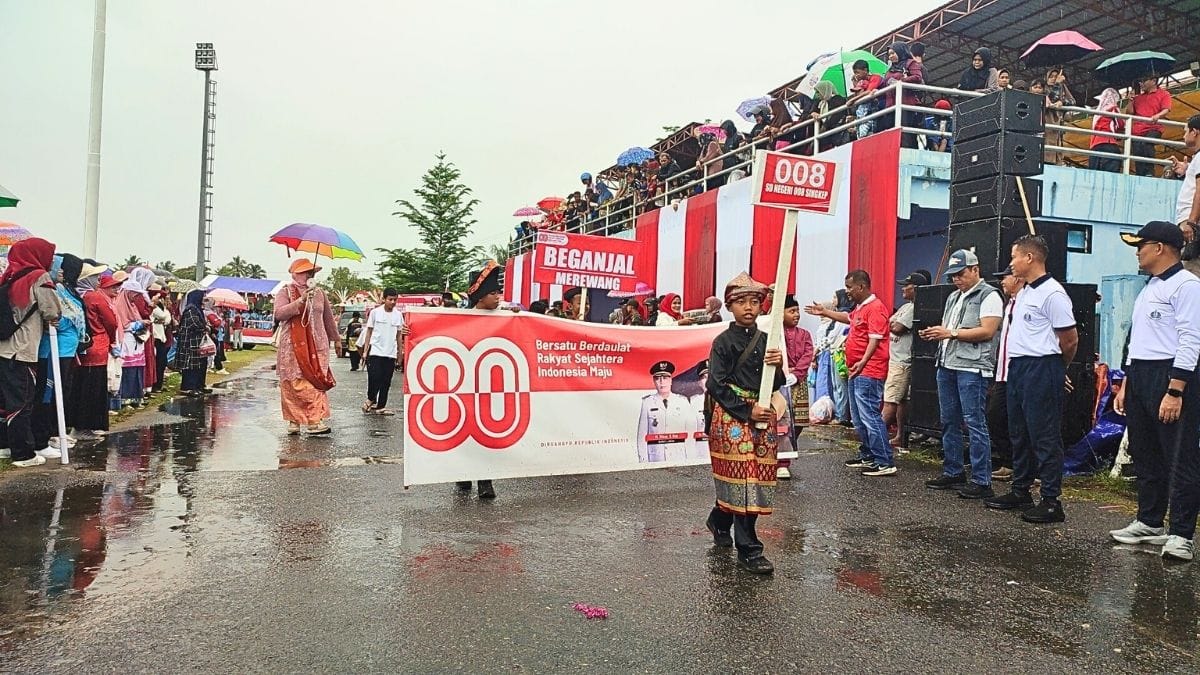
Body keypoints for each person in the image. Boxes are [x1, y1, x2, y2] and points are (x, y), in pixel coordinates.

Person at [1110, 222, 1200, 561]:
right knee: (1146, 453)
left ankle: (1181, 534)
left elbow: (1191, 340)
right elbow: (1136, 341)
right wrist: (1126, 384)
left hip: (1170, 374)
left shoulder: (1187, 286)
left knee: (1180, 456)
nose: (1137, 252)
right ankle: (1149, 521)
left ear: (1160, 248)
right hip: (1141, 374)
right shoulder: (1150, 286)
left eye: (1141, 245)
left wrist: (1175, 390)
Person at [984, 235, 1078, 523]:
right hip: (1018, 367)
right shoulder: (1023, 293)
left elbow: (1070, 340)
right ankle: (1020, 489)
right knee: (1019, 431)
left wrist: (1057, 369)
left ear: (1029, 257)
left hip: (1042, 365)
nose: (1011, 263)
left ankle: (1051, 500)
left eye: (1014, 256)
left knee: (1044, 434)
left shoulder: (1053, 293)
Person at [703, 272, 785, 574]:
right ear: (729, 307)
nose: (749, 308)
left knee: (756, 480)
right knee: (743, 480)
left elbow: (776, 383)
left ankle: (718, 520)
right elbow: (715, 384)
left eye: (754, 302)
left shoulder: (767, 340)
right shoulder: (722, 342)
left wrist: (777, 366)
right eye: (741, 302)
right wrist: (746, 412)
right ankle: (749, 550)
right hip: (732, 416)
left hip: (762, 413)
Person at [919, 251, 1003, 499]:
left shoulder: (990, 295)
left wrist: (950, 333)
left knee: (975, 421)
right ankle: (953, 471)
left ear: (975, 269)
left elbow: (988, 331)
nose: (956, 279)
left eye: (961, 274)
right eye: (953, 276)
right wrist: (937, 334)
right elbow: (950, 330)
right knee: (948, 420)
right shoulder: (954, 297)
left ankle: (981, 480)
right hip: (947, 363)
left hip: (972, 367)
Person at [806, 270, 896, 476]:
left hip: (869, 370)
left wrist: (863, 361)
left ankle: (884, 460)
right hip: (856, 369)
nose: (847, 291)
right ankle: (869, 454)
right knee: (858, 417)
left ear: (861, 287)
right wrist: (825, 312)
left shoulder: (876, 308)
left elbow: (875, 339)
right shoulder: (861, 307)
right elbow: (848, 318)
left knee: (869, 415)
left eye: (849, 287)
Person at [0, 238, 63, 467]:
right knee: (22, 402)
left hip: (4, 348)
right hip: (22, 350)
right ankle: (23, 454)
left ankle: (5, 445)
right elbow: (52, 310)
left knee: (5, 402)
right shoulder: (39, 277)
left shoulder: (10, 275)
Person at [450, 262, 506, 499]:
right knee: (464, 431)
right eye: (493, 293)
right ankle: (463, 474)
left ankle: (485, 480)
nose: (498, 297)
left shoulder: (504, 318)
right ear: (481, 296)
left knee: (487, 434)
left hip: (491, 386)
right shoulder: (459, 319)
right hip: (464, 385)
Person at [273, 259, 339, 436]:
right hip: (293, 346)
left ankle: (314, 421)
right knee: (294, 383)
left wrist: (336, 340)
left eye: (312, 272)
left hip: (318, 345)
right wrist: (300, 301)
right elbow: (279, 314)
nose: (310, 275)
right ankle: (294, 420)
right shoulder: (285, 291)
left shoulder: (320, 293)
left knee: (314, 381)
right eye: (306, 272)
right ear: (295, 274)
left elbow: (328, 319)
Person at [32, 254, 86, 454]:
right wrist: (63, 321)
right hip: (52, 350)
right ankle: (45, 436)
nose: (61, 271)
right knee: (48, 393)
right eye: (58, 266)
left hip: (66, 350)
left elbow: (75, 314)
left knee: (61, 392)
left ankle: (55, 431)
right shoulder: (51, 289)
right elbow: (54, 319)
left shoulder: (64, 290)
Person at [71, 267, 118, 439]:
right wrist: (111, 339)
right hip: (98, 345)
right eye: (95, 276)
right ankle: (86, 426)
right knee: (94, 387)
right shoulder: (95, 296)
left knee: (82, 386)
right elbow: (111, 322)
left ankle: (80, 425)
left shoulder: (76, 295)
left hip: (83, 345)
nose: (98, 279)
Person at [988, 265, 1024, 482]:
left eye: (1005, 277)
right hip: (1003, 372)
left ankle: (1030, 470)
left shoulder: (1029, 301)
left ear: (1017, 278)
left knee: (1022, 423)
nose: (1002, 281)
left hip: (1021, 373)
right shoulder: (1009, 303)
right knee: (995, 416)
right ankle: (1009, 462)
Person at [884, 271, 927, 450]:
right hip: (897, 359)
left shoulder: (913, 308)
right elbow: (891, 324)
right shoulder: (905, 306)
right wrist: (891, 324)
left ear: (915, 288)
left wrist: (891, 324)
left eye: (906, 285)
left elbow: (897, 327)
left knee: (891, 401)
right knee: (901, 401)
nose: (903, 288)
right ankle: (900, 436)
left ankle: (874, 439)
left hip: (901, 362)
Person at [778, 294, 813, 480]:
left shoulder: (805, 334)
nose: (796, 314)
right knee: (782, 422)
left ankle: (788, 449)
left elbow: (808, 354)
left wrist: (797, 373)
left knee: (798, 423)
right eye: (792, 311)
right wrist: (783, 372)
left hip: (799, 383)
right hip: (780, 383)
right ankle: (782, 462)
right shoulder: (775, 334)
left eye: (797, 311)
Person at [636, 360, 698, 463]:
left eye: (665, 378)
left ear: (671, 380)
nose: (662, 382)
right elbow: (641, 436)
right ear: (654, 381)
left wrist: (691, 459)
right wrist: (644, 462)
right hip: (656, 459)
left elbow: (691, 433)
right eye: (658, 378)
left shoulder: (682, 401)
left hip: (679, 457)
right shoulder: (647, 403)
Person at [361, 288, 404, 415]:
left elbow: (399, 335)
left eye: (395, 300)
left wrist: (400, 353)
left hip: (390, 352)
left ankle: (381, 406)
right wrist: (365, 351)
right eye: (390, 299)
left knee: (386, 381)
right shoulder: (375, 313)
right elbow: (369, 332)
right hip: (376, 351)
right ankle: (371, 399)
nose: (393, 302)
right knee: (374, 377)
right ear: (384, 299)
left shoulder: (398, 315)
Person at [880, 42, 925, 148]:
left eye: (893, 53)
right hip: (891, 107)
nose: (891, 56)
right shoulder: (890, 69)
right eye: (889, 54)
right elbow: (884, 84)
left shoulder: (910, 63)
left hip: (906, 104)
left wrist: (899, 81)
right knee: (891, 133)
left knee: (906, 134)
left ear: (901, 51)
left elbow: (917, 77)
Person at [1128, 74, 1172, 177]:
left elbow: (1166, 109)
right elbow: (1129, 112)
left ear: (1153, 81)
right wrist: (1130, 100)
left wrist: (1158, 115)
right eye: (1140, 81)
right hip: (1137, 131)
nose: (1141, 83)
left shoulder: (1164, 94)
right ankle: (1140, 174)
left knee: (1147, 143)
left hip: (1154, 128)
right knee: (1137, 150)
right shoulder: (1137, 98)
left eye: (1143, 80)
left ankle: (1149, 172)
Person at [1170, 116, 1200, 269]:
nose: (1183, 136)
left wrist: (1192, 223)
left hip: (1193, 222)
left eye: (1186, 131)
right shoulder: (1197, 158)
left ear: (1194, 132)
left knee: (1191, 271)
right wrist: (1186, 172)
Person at [175, 289, 211, 397]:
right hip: (189, 343)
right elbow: (195, 324)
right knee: (190, 366)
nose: (203, 300)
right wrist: (205, 327)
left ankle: (198, 385)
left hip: (196, 342)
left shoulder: (197, 309)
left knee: (199, 365)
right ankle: (188, 387)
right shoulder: (191, 309)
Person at [1089, 88, 1125, 173]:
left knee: (1094, 174)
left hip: (1094, 146)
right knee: (1110, 173)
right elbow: (1121, 124)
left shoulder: (1098, 112)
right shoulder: (1112, 108)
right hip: (1108, 142)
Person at [847, 59, 884, 140]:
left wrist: (852, 100)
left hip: (881, 109)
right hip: (870, 112)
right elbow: (861, 95)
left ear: (865, 70)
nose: (856, 75)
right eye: (854, 73)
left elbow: (868, 92)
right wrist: (855, 84)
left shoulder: (875, 77)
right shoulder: (862, 82)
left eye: (857, 72)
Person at [150, 291, 174, 393]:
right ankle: (155, 385)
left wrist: (165, 316)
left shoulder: (161, 308)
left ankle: (158, 384)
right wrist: (165, 315)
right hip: (156, 336)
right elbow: (164, 316)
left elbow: (167, 320)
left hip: (162, 335)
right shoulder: (154, 307)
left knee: (162, 362)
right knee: (158, 362)